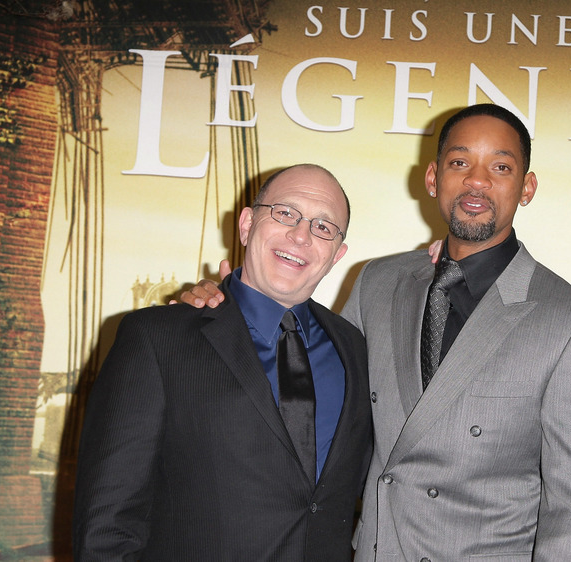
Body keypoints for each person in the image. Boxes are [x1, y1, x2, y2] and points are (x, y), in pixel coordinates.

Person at [180, 105, 571, 561]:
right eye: (459, 162)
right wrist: (229, 307)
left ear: (526, 188)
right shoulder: (379, 282)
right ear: (433, 178)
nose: (477, 180)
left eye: (501, 167)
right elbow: (310, 387)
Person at [73, 164, 372, 561]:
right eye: (285, 213)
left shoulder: (354, 347)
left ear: (337, 253)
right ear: (247, 224)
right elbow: (106, 525)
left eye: (323, 227)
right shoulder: (157, 338)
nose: (301, 235)